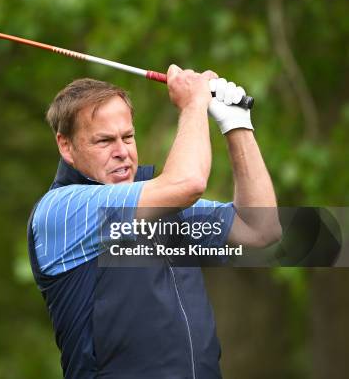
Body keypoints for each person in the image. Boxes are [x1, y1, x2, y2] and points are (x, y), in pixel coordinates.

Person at [27, 65, 281, 379]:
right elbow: (187, 183)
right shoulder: (63, 209)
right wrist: (192, 105)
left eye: (128, 137)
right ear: (66, 146)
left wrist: (236, 124)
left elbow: (260, 229)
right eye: (104, 141)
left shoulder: (165, 209)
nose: (122, 152)